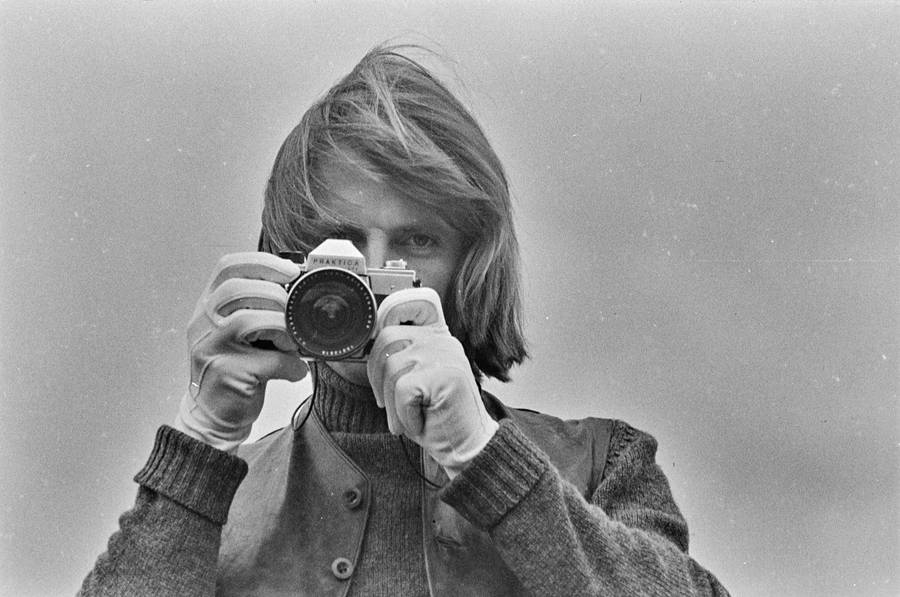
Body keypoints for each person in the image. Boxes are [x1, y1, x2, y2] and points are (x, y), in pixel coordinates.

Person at [78, 45, 730, 596]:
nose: (368, 272)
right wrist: (200, 445)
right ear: (287, 262)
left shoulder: (601, 464)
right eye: (339, 240)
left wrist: (486, 457)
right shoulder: (222, 499)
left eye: (416, 241)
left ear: (471, 263)